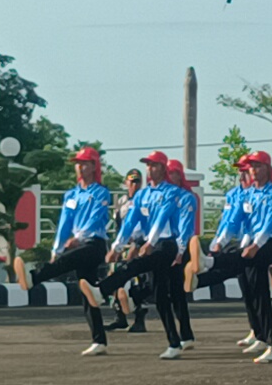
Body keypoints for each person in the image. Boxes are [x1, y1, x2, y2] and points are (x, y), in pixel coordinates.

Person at [80, 151, 185, 359]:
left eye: (154, 165)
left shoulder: (172, 192)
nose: (150, 169)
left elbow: (162, 219)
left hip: (166, 244)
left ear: (163, 169)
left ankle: (102, 291)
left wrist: (150, 242)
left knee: (135, 266)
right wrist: (117, 247)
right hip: (150, 244)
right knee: (161, 297)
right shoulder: (143, 195)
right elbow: (130, 222)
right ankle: (174, 343)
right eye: (148, 165)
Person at [12, 146, 111, 355]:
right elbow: (64, 222)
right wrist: (56, 249)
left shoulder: (101, 192)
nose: (80, 167)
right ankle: (99, 340)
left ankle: (34, 277)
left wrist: (78, 238)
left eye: (84, 163)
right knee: (87, 292)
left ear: (94, 166)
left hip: (93, 244)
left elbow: (96, 219)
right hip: (77, 243)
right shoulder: (71, 195)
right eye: (78, 163)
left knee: (69, 262)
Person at [185, 154, 259, 350]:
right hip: (235, 243)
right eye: (240, 172)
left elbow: (239, 222)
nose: (242, 176)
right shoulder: (234, 194)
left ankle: (199, 279)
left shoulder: (256, 194)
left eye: (245, 172)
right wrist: (217, 241)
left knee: (250, 288)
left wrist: (224, 242)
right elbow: (227, 220)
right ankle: (255, 330)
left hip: (252, 244)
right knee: (245, 289)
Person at [235, 150, 272, 363]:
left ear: (267, 169)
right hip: (252, 244)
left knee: (261, 294)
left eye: (257, 166)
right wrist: (219, 241)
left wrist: (255, 245)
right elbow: (239, 220)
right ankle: (261, 336)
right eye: (251, 167)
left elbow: (270, 224)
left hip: (268, 244)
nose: (253, 171)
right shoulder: (249, 194)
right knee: (249, 288)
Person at [106, 169, 149, 332]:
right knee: (113, 278)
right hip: (121, 245)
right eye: (132, 182)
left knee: (136, 281)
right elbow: (118, 226)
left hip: (138, 245)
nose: (134, 185)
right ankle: (120, 317)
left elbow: (146, 227)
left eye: (137, 181)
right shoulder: (122, 201)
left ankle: (139, 319)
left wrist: (137, 245)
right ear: (126, 183)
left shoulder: (145, 201)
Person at [164, 159, 198, 348]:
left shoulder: (187, 197)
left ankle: (185, 335)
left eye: (173, 173)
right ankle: (184, 336)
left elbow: (186, 227)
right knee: (167, 292)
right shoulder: (165, 197)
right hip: (165, 246)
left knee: (177, 293)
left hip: (179, 247)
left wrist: (180, 250)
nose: (169, 176)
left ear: (179, 175)